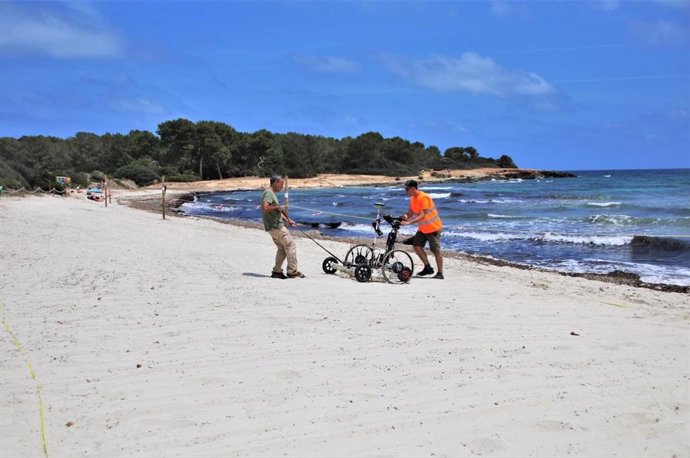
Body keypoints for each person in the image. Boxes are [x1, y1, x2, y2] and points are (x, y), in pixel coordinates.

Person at [261, 175, 305, 279]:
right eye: (281, 184)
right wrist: (278, 207)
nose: (282, 186)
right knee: (290, 245)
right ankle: (292, 271)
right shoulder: (268, 193)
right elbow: (265, 208)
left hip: (272, 227)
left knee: (281, 248)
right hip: (276, 227)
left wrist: (289, 220)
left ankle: (277, 271)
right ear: (275, 182)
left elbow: (276, 212)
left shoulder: (270, 193)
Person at [400, 179, 444, 279]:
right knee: (417, 246)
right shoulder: (412, 198)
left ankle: (440, 273)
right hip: (423, 229)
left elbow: (422, 215)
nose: (405, 191)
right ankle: (427, 267)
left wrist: (409, 222)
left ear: (413, 188)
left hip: (433, 228)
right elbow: (410, 214)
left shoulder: (424, 198)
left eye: (407, 189)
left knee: (435, 251)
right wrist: (403, 217)